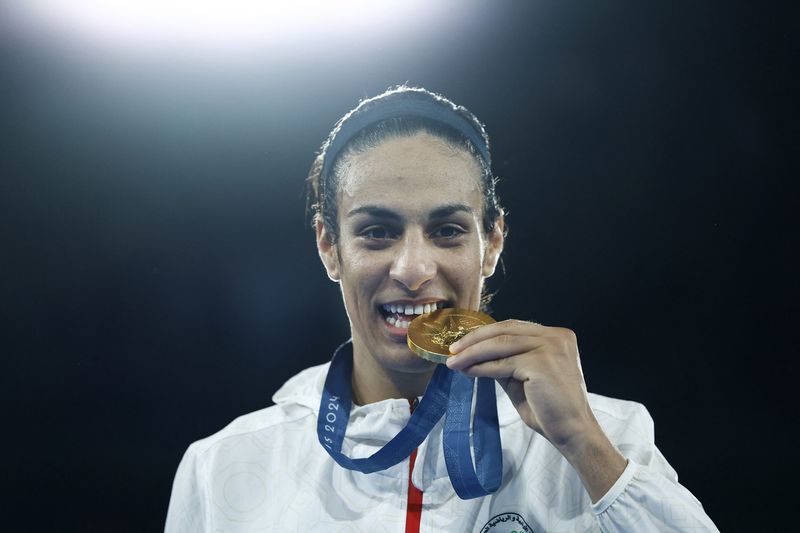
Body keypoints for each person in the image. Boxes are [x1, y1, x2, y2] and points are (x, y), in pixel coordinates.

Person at [165, 86, 719, 532]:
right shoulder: (223, 467)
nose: (411, 268)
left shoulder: (609, 437)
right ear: (329, 247)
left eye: (448, 230)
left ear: (493, 243)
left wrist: (584, 445)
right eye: (377, 232)